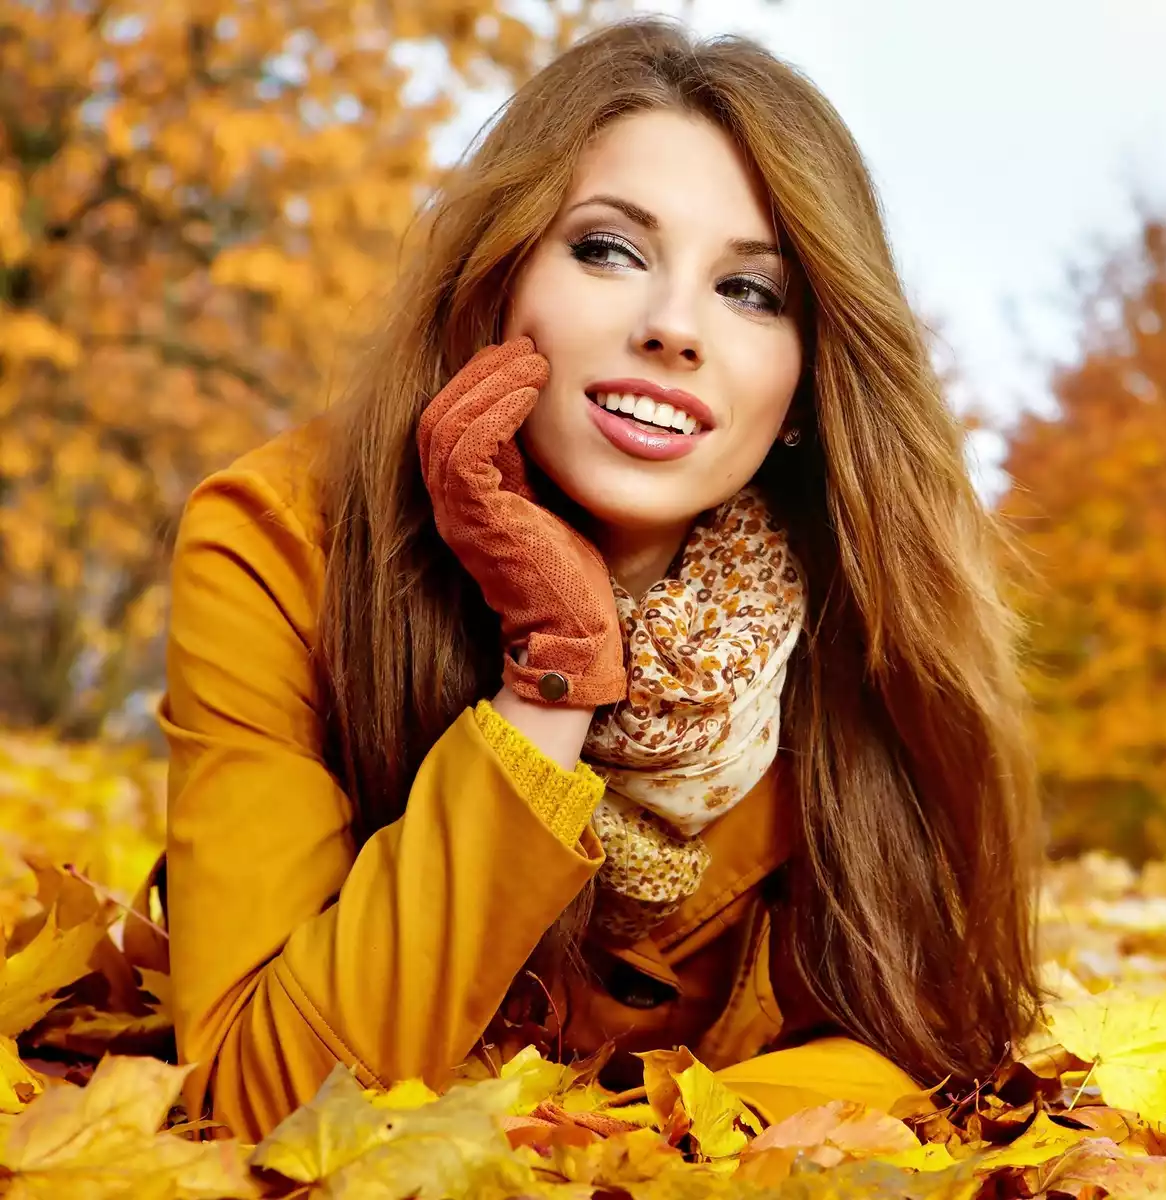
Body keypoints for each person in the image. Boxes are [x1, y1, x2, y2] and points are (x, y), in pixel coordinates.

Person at [156, 17, 1041, 1141]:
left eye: (752, 292)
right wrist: (552, 681)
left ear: (805, 387)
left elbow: (916, 1049)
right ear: (499, 284)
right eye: (608, 250)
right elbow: (257, 1099)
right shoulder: (282, 543)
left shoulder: (862, 613)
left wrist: (601, 1148)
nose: (673, 327)